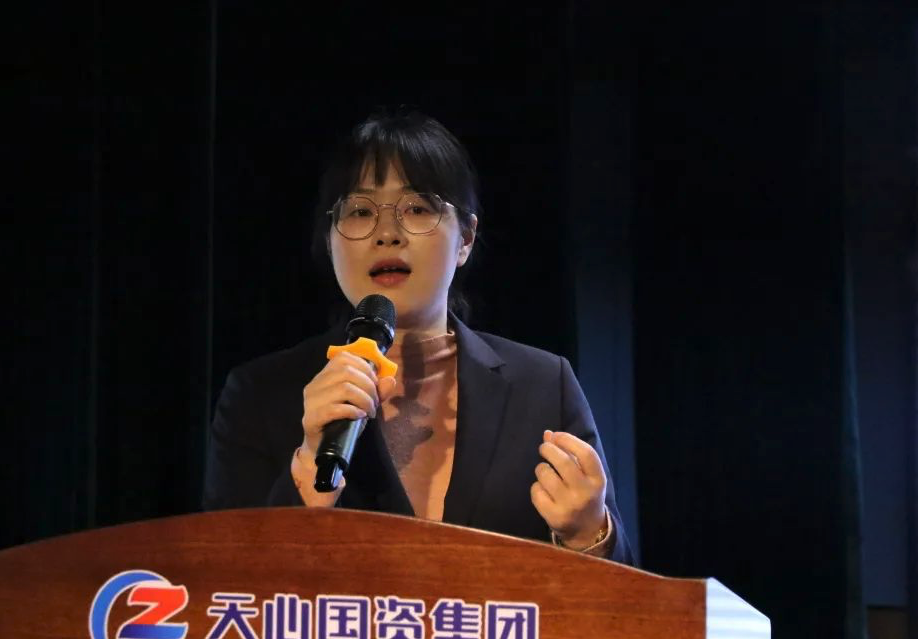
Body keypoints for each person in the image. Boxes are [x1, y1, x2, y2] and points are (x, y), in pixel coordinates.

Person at [204, 109, 633, 565]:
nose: (387, 234)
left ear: (466, 238)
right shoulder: (260, 393)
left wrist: (587, 533)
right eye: (360, 211)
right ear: (330, 240)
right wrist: (309, 468)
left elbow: (626, 588)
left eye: (417, 209)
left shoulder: (543, 385)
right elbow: (218, 578)